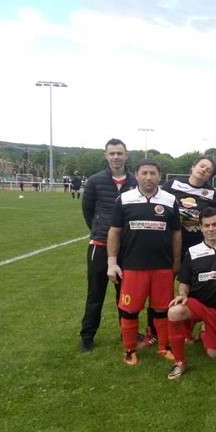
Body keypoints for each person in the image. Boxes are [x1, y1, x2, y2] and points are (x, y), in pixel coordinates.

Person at [107, 160, 182, 365]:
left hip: (163, 266)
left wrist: (176, 261)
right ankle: (129, 349)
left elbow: (176, 233)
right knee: (130, 310)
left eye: (153, 173)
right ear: (137, 175)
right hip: (133, 266)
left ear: (160, 176)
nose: (148, 177)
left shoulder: (169, 200)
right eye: (144, 173)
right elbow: (114, 231)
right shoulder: (124, 199)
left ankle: (163, 346)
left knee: (161, 309)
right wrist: (111, 262)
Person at [166, 208, 216, 380]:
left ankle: (205, 332)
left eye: (215, 224)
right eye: (206, 225)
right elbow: (184, 282)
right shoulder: (192, 252)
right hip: (198, 305)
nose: (211, 229)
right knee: (175, 311)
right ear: (200, 227)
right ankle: (180, 362)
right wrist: (183, 294)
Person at [79, 139, 137, 352]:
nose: (115, 157)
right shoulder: (95, 181)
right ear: (106, 155)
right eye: (111, 153)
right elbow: (87, 210)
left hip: (126, 248)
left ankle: (127, 332)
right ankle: (87, 335)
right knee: (95, 293)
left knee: (125, 294)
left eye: (119, 153)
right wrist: (99, 230)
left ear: (126, 155)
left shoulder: (134, 181)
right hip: (100, 245)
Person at [164, 155, 216, 254]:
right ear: (193, 167)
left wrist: (200, 220)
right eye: (202, 166)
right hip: (169, 239)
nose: (204, 170)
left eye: (208, 170)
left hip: (196, 244)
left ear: (209, 177)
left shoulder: (211, 193)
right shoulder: (172, 184)